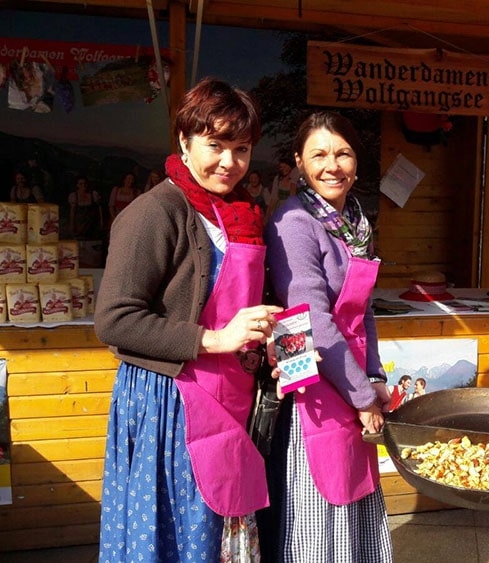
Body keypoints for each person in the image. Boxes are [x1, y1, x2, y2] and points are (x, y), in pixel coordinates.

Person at [94, 77, 283, 562]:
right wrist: (217, 339)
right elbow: (115, 320)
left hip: (229, 393)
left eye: (241, 149)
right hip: (169, 401)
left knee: (219, 524)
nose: (229, 162)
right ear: (184, 140)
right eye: (215, 145)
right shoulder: (153, 213)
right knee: (180, 530)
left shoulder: (239, 214)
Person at [261, 111, 393, 562]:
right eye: (318, 154)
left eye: (343, 153)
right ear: (298, 161)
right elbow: (312, 317)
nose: (331, 165)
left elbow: (364, 308)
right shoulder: (294, 222)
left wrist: (373, 376)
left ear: (357, 163)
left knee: (354, 494)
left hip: (351, 376)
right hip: (315, 383)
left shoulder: (356, 224)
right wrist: (362, 396)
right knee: (322, 499)